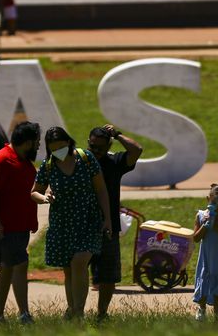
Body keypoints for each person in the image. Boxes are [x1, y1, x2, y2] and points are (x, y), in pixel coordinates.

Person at [31, 126, 112, 322]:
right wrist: (44, 197)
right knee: (69, 269)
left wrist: (107, 218)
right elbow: (34, 192)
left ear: (69, 142)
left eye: (61, 145)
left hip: (88, 219)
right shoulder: (48, 165)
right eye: (53, 148)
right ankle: (72, 310)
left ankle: (79, 311)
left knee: (80, 261)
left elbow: (101, 189)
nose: (58, 150)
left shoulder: (86, 158)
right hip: (62, 223)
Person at [0, 120, 41, 325]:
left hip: (20, 226)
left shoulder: (22, 160)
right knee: (19, 264)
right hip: (7, 227)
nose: (38, 146)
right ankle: (22, 314)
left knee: (8, 269)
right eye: (36, 142)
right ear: (26, 142)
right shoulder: (1, 160)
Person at [87, 124, 142, 321]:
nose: (96, 151)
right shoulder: (82, 161)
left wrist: (118, 134)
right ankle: (75, 311)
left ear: (108, 145)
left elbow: (136, 150)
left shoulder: (114, 161)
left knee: (108, 276)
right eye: (93, 146)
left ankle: (102, 314)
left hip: (108, 228)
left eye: (101, 147)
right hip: (83, 226)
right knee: (77, 271)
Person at [192, 184, 218, 322]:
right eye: (214, 201)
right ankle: (201, 309)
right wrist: (206, 224)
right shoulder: (201, 215)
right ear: (208, 199)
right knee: (204, 279)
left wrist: (216, 226)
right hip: (206, 256)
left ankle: (217, 317)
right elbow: (196, 238)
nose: (216, 205)